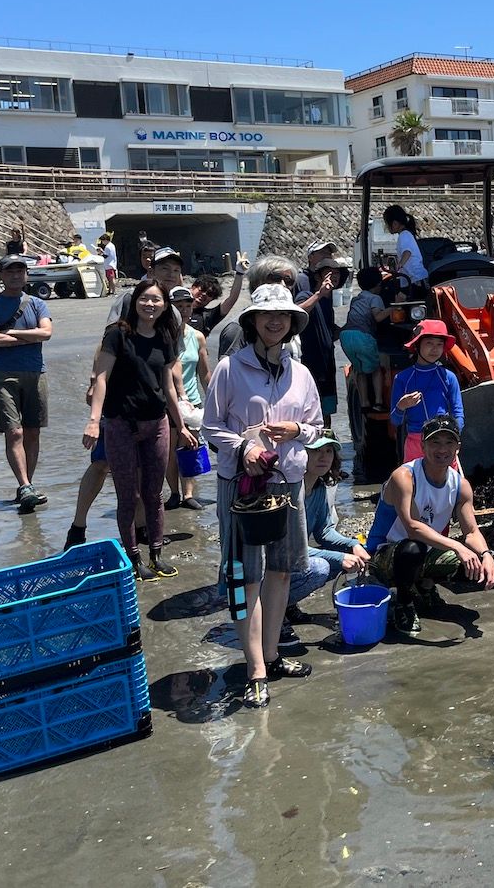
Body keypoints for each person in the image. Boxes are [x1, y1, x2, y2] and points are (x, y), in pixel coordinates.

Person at [202, 283, 325, 705]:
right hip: (242, 486)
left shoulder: (302, 373)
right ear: (252, 321)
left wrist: (297, 431)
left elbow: (316, 427)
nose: (276, 321)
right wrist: (244, 447)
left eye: (285, 315)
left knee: (283, 571)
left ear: (292, 323)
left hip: (288, 481)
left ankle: (272, 656)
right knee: (246, 575)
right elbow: (210, 426)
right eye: (267, 314)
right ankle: (255, 668)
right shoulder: (229, 368)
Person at [83, 278, 196, 582]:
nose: (150, 304)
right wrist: (94, 421)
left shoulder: (164, 336)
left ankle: (156, 555)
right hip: (121, 424)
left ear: (164, 305)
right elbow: (101, 378)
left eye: (156, 300)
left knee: (153, 494)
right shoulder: (118, 334)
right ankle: (134, 558)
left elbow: (169, 384)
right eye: (145, 299)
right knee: (128, 495)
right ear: (135, 302)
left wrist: (181, 425)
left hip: (156, 423)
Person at [364, 415, 494, 636]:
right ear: (423, 445)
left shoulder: (461, 485)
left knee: (476, 565)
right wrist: (458, 547)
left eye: (449, 442)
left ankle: (424, 585)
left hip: (426, 550)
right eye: (435, 442)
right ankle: (404, 603)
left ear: (458, 447)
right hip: (386, 554)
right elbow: (412, 527)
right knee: (412, 548)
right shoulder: (405, 476)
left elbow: (472, 532)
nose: (442, 449)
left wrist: (487, 554)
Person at [0, 254, 53, 513]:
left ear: (26, 275)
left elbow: (47, 333)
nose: (16, 275)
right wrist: (29, 338)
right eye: (10, 271)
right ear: (0, 276)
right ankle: (24, 485)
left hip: (35, 372)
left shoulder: (37, 304)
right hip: (4, 373)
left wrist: (10, 333)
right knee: (15, 431)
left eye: (20, 271)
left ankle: (27, 486)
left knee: (33, 431)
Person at [286, 431, 370, 612]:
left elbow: (324, 532)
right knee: (321, 568)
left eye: (329, 451)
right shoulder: (291, 490)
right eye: (316, 450)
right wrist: (341, 558)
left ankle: (288, 605)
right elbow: (293, 546)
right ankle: (278, 609)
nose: (323, 457)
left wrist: (352, 545)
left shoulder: (318, 488)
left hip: (293, 557)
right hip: (273, 563)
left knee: (348, 557)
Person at [389, 319, 464, 462]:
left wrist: (452, 437)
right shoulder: (403, 378)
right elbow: (395, 420)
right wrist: (401, 406)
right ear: (417, 345)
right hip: (415, 443)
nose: (434, 349)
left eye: (439, 344)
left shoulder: (448, 377)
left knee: (448, 484)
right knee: (413, 484)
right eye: (429, 343)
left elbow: (458, 413)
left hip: (442, 443)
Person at [165, 285, 212, 511]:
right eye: (178, 306)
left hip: (192, 402)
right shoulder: (162, 335)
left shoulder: (197, 337)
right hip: (167, 402)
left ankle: (188, 494)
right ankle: (174, 493)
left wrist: (213, 398)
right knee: (169, 451)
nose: (184, 311)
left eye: (187, 305)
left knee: (190, 447)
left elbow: (204, 373)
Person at [295, 242, 346, 426]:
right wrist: (319, 293)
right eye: (322, 252)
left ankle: (328, 447)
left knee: (326, 406)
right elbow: (297, 311)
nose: (327, 255)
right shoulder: (303, 281)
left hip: (326, 355)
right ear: (311, 257)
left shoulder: (328, 285)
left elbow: (326, 322)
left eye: (329, 253)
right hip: (310, 354)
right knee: (311, 407)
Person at [215, 255, 300, 361]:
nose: (282, 285)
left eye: (288, 281)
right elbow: (229, 372)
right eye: (275, 278)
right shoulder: (238, 327)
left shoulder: (290, 321)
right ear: (256, 283)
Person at [340, 266, 387, 412]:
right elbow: (378, 317)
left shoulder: (356, 298)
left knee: (359, 370)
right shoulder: (376, 298)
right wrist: (394, 308)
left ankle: (364, 403)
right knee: (375, 369)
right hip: (363, 337)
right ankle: (378, 402)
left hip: (346, 336)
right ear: (379, 284)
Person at [189, 256, 247, 336]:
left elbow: (232, 298)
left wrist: (239, 273)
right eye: (202, 289)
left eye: (209, 294)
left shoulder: (208, 316)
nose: (204, 294)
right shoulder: (175, 307)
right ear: (193, 288)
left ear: (212, 299)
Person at [383, 204, 428, 288]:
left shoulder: (404, 235)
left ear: (395, 223)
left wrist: (399, 265)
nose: (386, 227)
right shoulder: (406, 234)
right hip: (413, 278)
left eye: (387, 223)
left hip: (415, 278)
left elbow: (407, 252)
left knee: (400, 297)